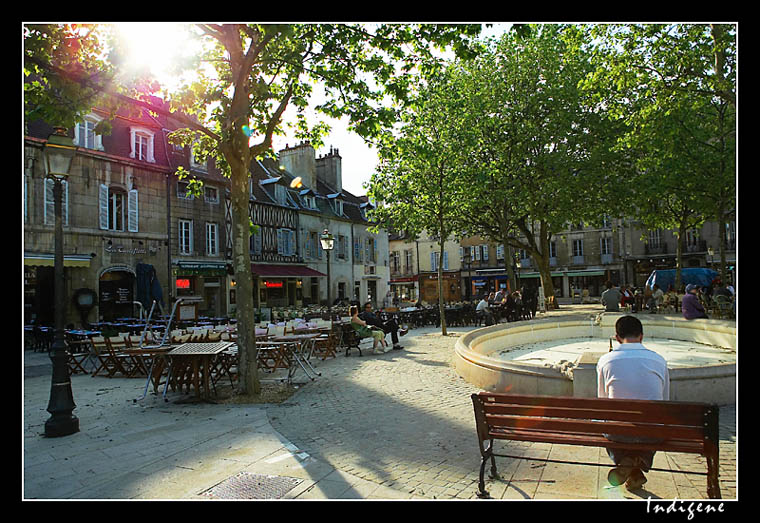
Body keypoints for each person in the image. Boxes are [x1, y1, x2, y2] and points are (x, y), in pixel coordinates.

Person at [597, 315, 670, 491]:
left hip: (619, 433)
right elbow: (665, 401)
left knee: (607, 423)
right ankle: (637, 465)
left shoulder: (605, 361)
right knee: (652, 424)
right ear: (641, 336)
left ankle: (627, 464)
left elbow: (602, 402)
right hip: (652, 434)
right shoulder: (659, 360)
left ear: (617, 338)